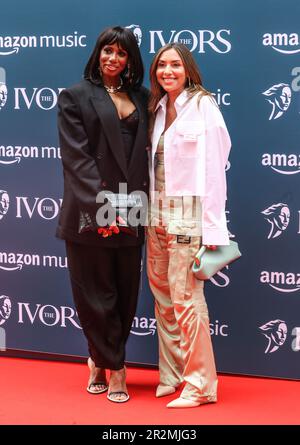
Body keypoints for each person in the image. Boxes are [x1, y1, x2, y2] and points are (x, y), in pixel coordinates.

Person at [56, 26, 149, 403]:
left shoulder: (143, 97)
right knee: (95, 293)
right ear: (97, 54)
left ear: (130, 60)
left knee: (126, 293)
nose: (113, 58)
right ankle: (116, 369)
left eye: (121, 53)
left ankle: (100, 358)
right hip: (91, 211)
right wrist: (107, 209)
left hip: (134, 207)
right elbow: (77, 161)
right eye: (106, 51)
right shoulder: (75, 97)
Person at [147, 43, 231, 408]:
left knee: (186, 299)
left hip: (187, 215)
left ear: (188, 68)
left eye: (175, 64)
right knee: (163, 300)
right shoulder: (160, 107)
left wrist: (212, 232)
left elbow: (215, 172)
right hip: (155, 214)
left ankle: (201, 385)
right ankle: (173, 375)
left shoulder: (203, 106)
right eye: (162, 65)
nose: (168, 70)